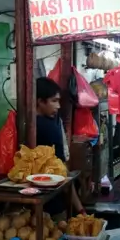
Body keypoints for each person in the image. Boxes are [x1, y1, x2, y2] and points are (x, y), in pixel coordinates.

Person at [36, 77, 85, 216]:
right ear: (40, 101)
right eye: (54, 101)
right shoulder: (50, 127)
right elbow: (62, 170)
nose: (58, 106)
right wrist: (80, 208)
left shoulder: (24, 121)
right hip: (52, 200)